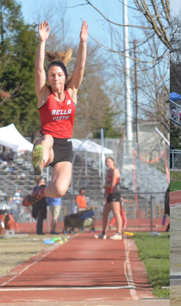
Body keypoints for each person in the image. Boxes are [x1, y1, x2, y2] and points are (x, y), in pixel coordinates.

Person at [22, 20, 88, 207]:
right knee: (47, 139)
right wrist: (42, 41)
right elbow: (38, 69)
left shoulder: (72, 92)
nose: (55, 78)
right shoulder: (44, 95)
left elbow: (80, 68)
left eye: (59, 74)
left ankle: (40, 192)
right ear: (48, 78)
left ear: (65, 77)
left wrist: (83, 43)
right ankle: (39, 161)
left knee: (59, 190)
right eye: (52, 75)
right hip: (48, 143)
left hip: (65, 146)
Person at [95, 157, 123, 240]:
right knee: (104, 214)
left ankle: (119, 233)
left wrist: (104, 186)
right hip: (109, 194)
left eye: (109, 162)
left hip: (115, 193)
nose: (107, 163)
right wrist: (105, 194)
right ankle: (103, 232)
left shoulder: (115, 170)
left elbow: (112, 184)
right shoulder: (109, 171)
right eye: (106, 162)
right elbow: (108, 183)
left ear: (113, 162)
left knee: (116, 213)